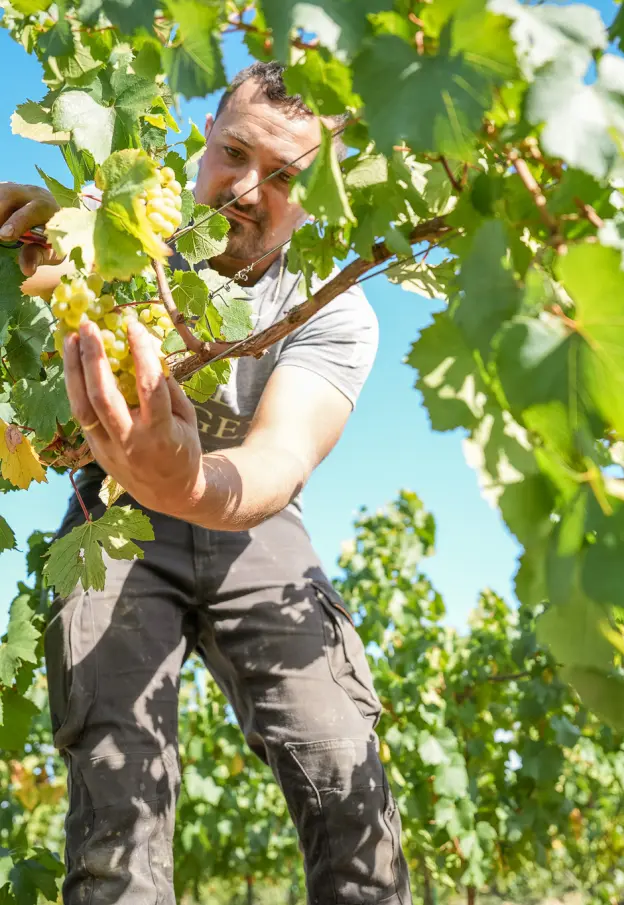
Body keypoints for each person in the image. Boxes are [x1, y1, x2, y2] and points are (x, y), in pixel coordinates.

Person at [1, 62, 412, 905]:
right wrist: (31, 254)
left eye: (287, 175)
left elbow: (275, 461)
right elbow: (33, 305)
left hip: (254, 524)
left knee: (345, 773)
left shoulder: (334, 306)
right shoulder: (118, 234)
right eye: (234, 154)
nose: (248, 189)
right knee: (116, 803)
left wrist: (186, 480)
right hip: (112, 518)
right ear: (204, 143)